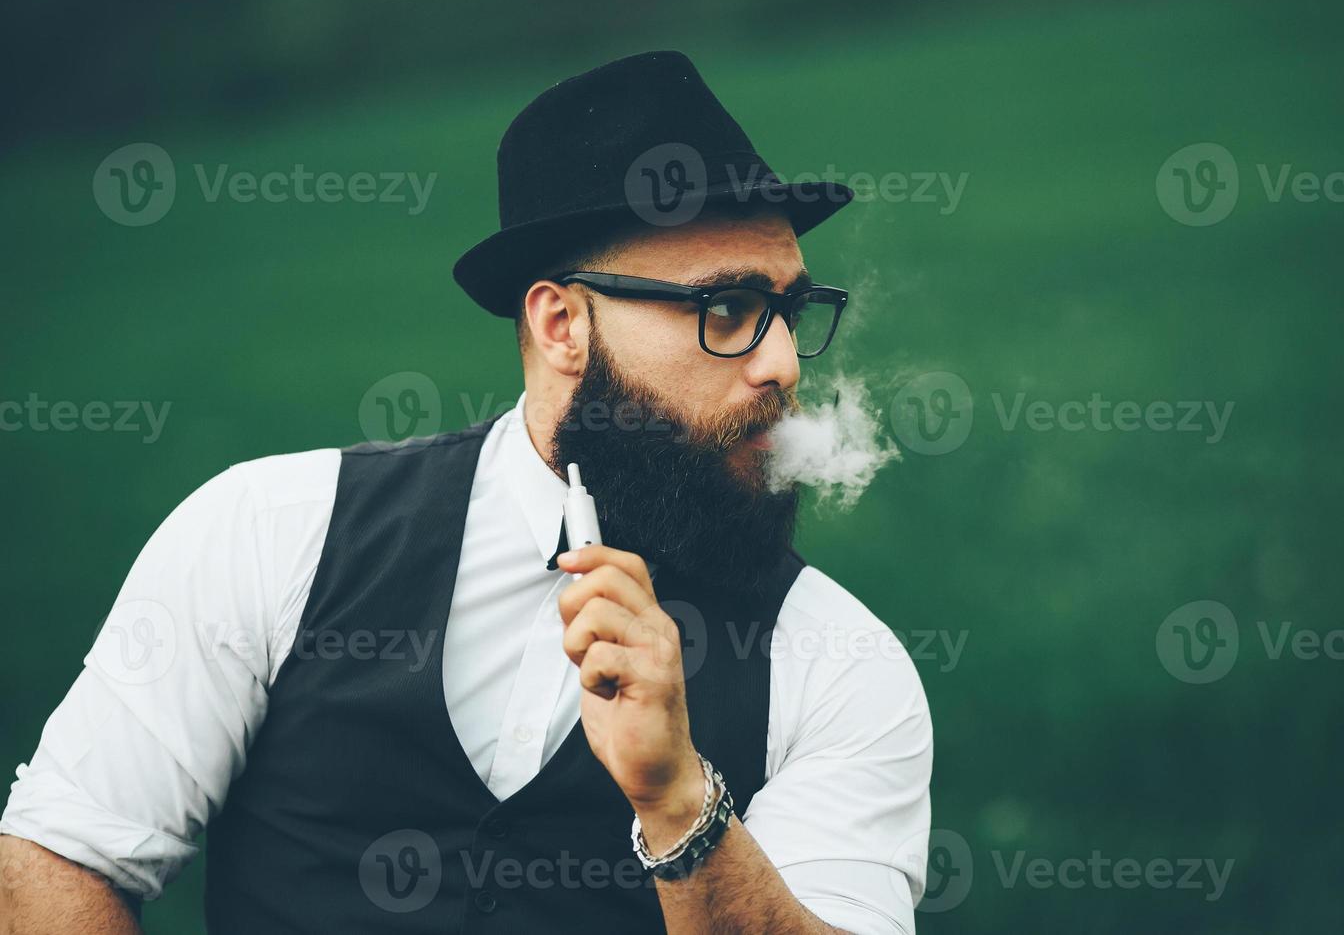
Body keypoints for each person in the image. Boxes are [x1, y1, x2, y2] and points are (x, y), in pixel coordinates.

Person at [0, 50, 933, 934]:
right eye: (726, 311)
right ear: (562, 324)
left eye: (790, 312)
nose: (779, 363)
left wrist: (682, 803)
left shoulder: (842, 665)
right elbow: (59, 856)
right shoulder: (271, 531)